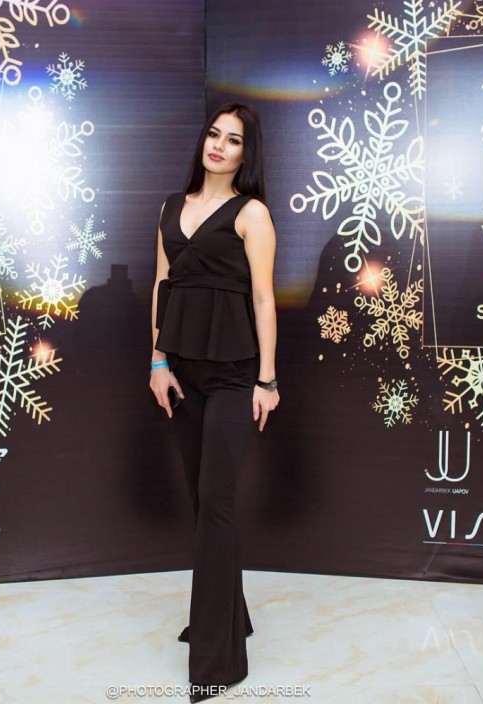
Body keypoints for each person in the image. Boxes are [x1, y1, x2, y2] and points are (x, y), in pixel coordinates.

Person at [149, 102, 279, 703]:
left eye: (233, 140)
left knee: (217, 503)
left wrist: (267, 381)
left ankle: (216, 659)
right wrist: (157, 363)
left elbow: (263, 298)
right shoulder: (169, 208)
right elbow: (162, 286)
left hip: (234, 376)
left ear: (246, 154)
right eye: (213, 133)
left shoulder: (252, 213)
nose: (219, 145)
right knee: (203, 504)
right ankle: (231, 615)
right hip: (182, 372)